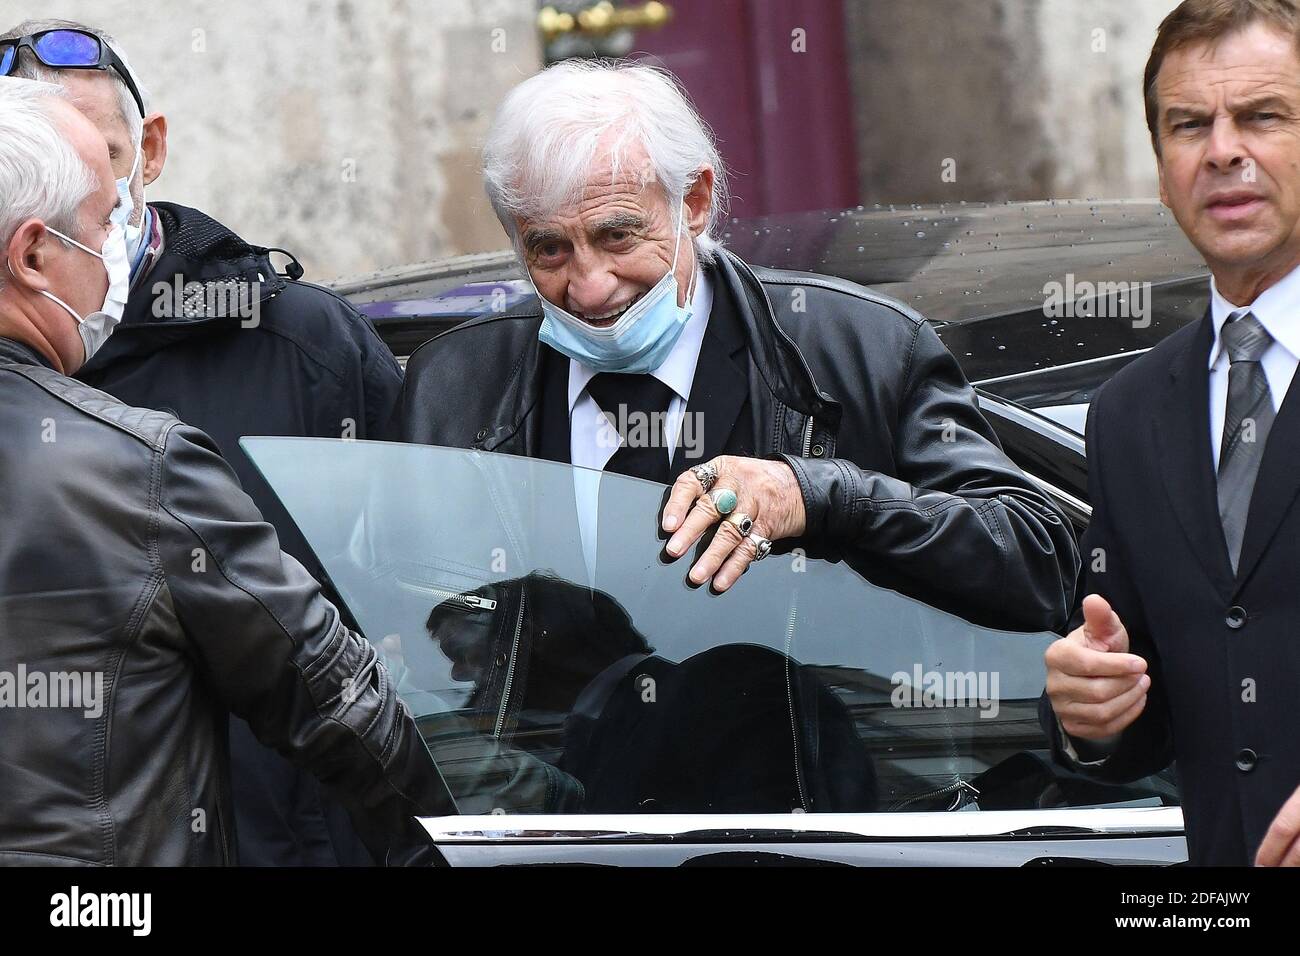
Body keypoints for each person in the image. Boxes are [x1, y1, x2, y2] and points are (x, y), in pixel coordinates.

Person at [394, 59, 1079, 633]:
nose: (590, 286)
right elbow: (402, 622)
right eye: (548, 248)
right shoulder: (453, 386)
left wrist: (821, 497)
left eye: (617, 237)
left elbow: (1038, 557)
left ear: (693, 201)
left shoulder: (861, 350)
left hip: (825, 782)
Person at [0, 79, 447, 866]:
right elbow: (340, 705)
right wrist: (484, 835)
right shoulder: (141, 468)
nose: (119, 246)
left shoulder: (298, 342)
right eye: (102, 222)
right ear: (35, 254)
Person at [1041, 0, 1300, 866]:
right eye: (1189, 125)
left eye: (1262, 117)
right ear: (1160, 169)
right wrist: (1090, 710)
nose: (1223, 150)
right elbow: (1144, 684)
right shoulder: (1128, 413)